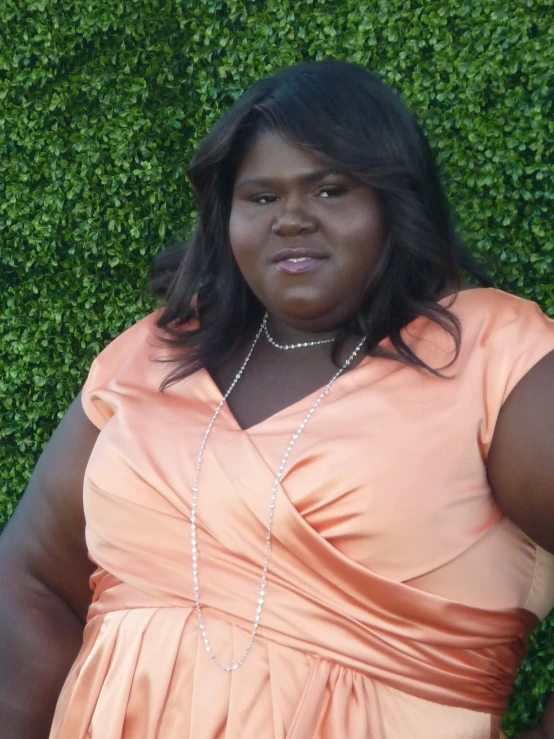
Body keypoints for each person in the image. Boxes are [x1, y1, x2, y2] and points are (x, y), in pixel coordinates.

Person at [0, 59, 553, 739]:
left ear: (393, 201)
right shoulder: (153, 357)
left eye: (329, 191)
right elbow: (32, 578)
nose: (291, 219)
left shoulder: (492, 356)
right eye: (261, 197)